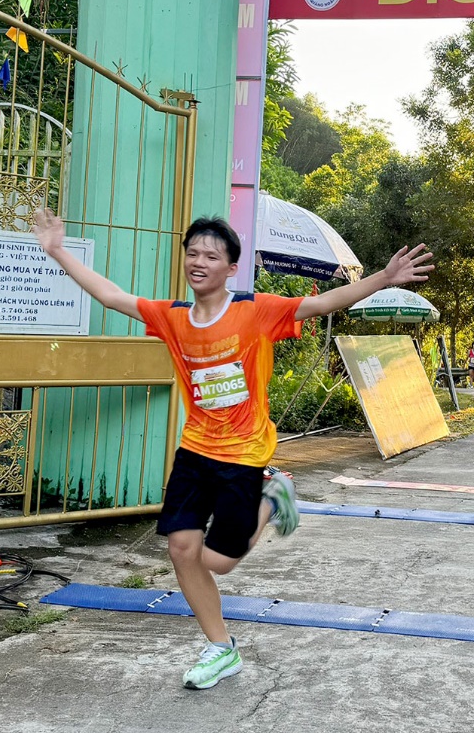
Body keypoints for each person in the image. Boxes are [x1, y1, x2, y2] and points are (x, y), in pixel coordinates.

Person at [31, 209, 432, 689]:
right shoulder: (172, 317)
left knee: (218, 562)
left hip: (244, 456)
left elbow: (322, 304)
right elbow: (111, 295)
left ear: (230, 267)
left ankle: (273, 495)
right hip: (195, 451)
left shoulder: (254, 310)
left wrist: (383, 278)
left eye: (211, 255)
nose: (199, 261)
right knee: (181, 550)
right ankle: (220, 648)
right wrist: (56, 249)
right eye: (193, 252)